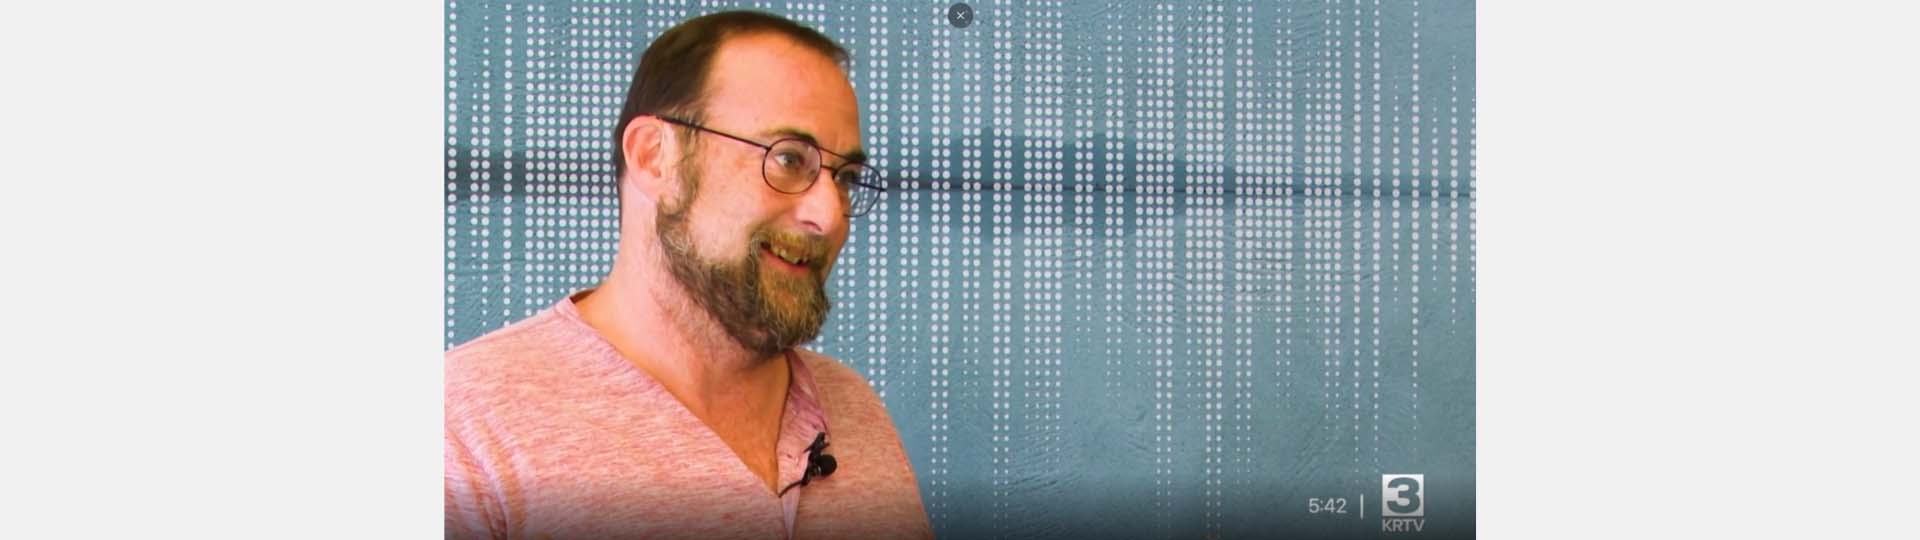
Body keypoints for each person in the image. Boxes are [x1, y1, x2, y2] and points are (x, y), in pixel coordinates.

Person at [444, 10, 931, 539]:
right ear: (655, 157)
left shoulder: (853, 407)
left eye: (845, 178)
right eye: (790, 159)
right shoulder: (463, 426)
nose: (830, 215)